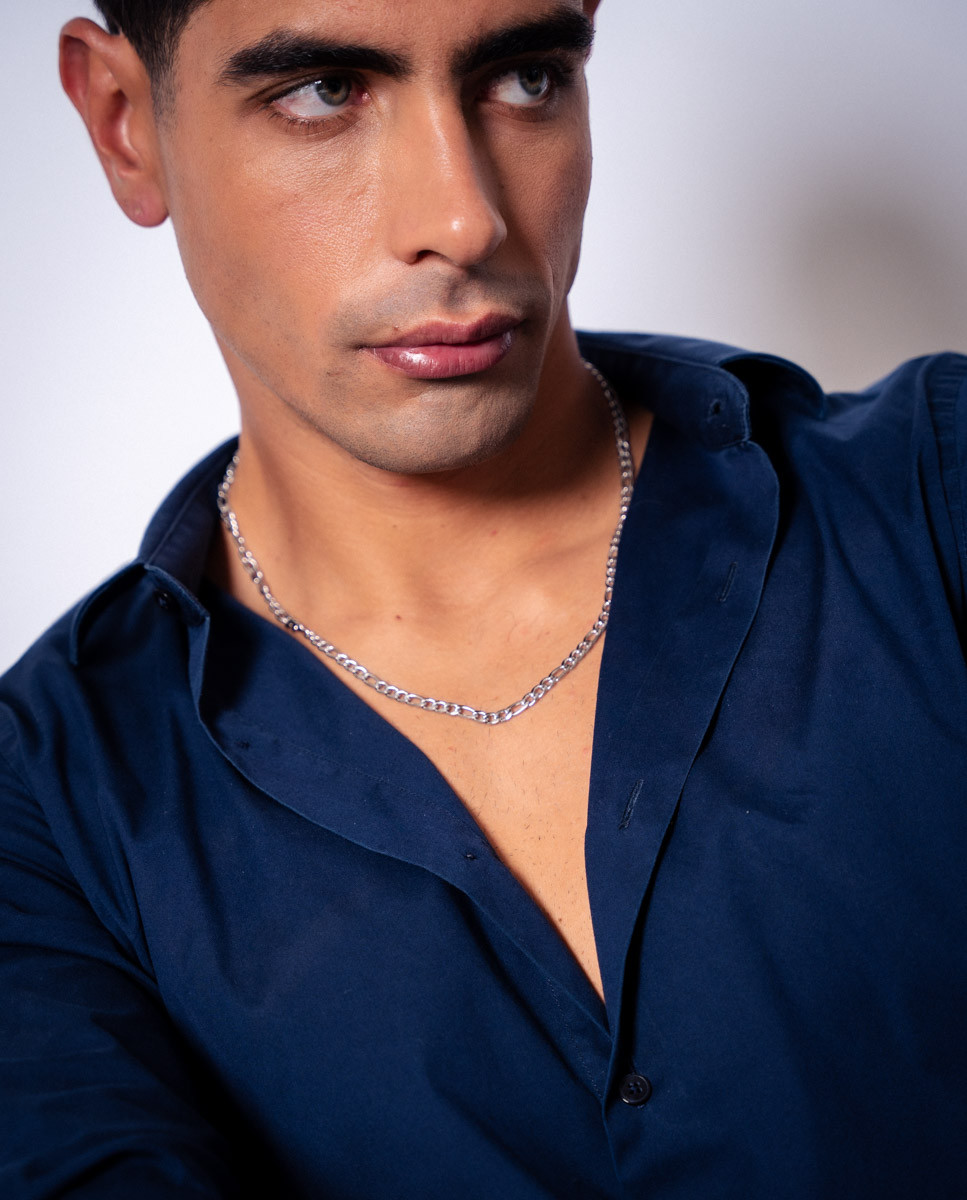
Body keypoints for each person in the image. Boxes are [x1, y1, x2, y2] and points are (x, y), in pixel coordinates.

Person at [1, 0, 965, 1196]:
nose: (463, 219)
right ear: (122, 122)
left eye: (525, 77)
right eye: (324, 93)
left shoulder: (933, 498)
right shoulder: (45, 813)